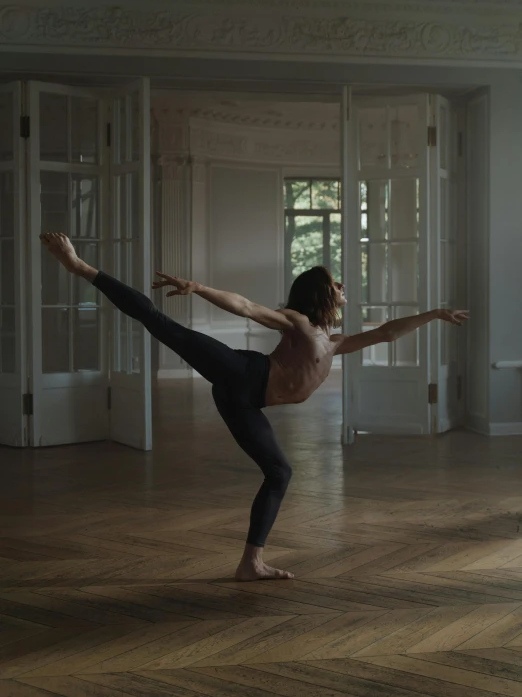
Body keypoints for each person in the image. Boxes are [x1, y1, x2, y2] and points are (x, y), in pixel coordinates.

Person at [40, 232, 469, 581]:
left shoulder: (334, 343)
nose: (342, 287)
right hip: (242, 373)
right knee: (162, 323)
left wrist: (433, 314)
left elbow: (388, 333)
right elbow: (247, 307)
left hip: (244, 402)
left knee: (280, 472)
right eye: (336, 282)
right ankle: (79, 266)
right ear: (320, 292)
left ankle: (250, 562)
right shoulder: (299, 324)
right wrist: (198, 287)